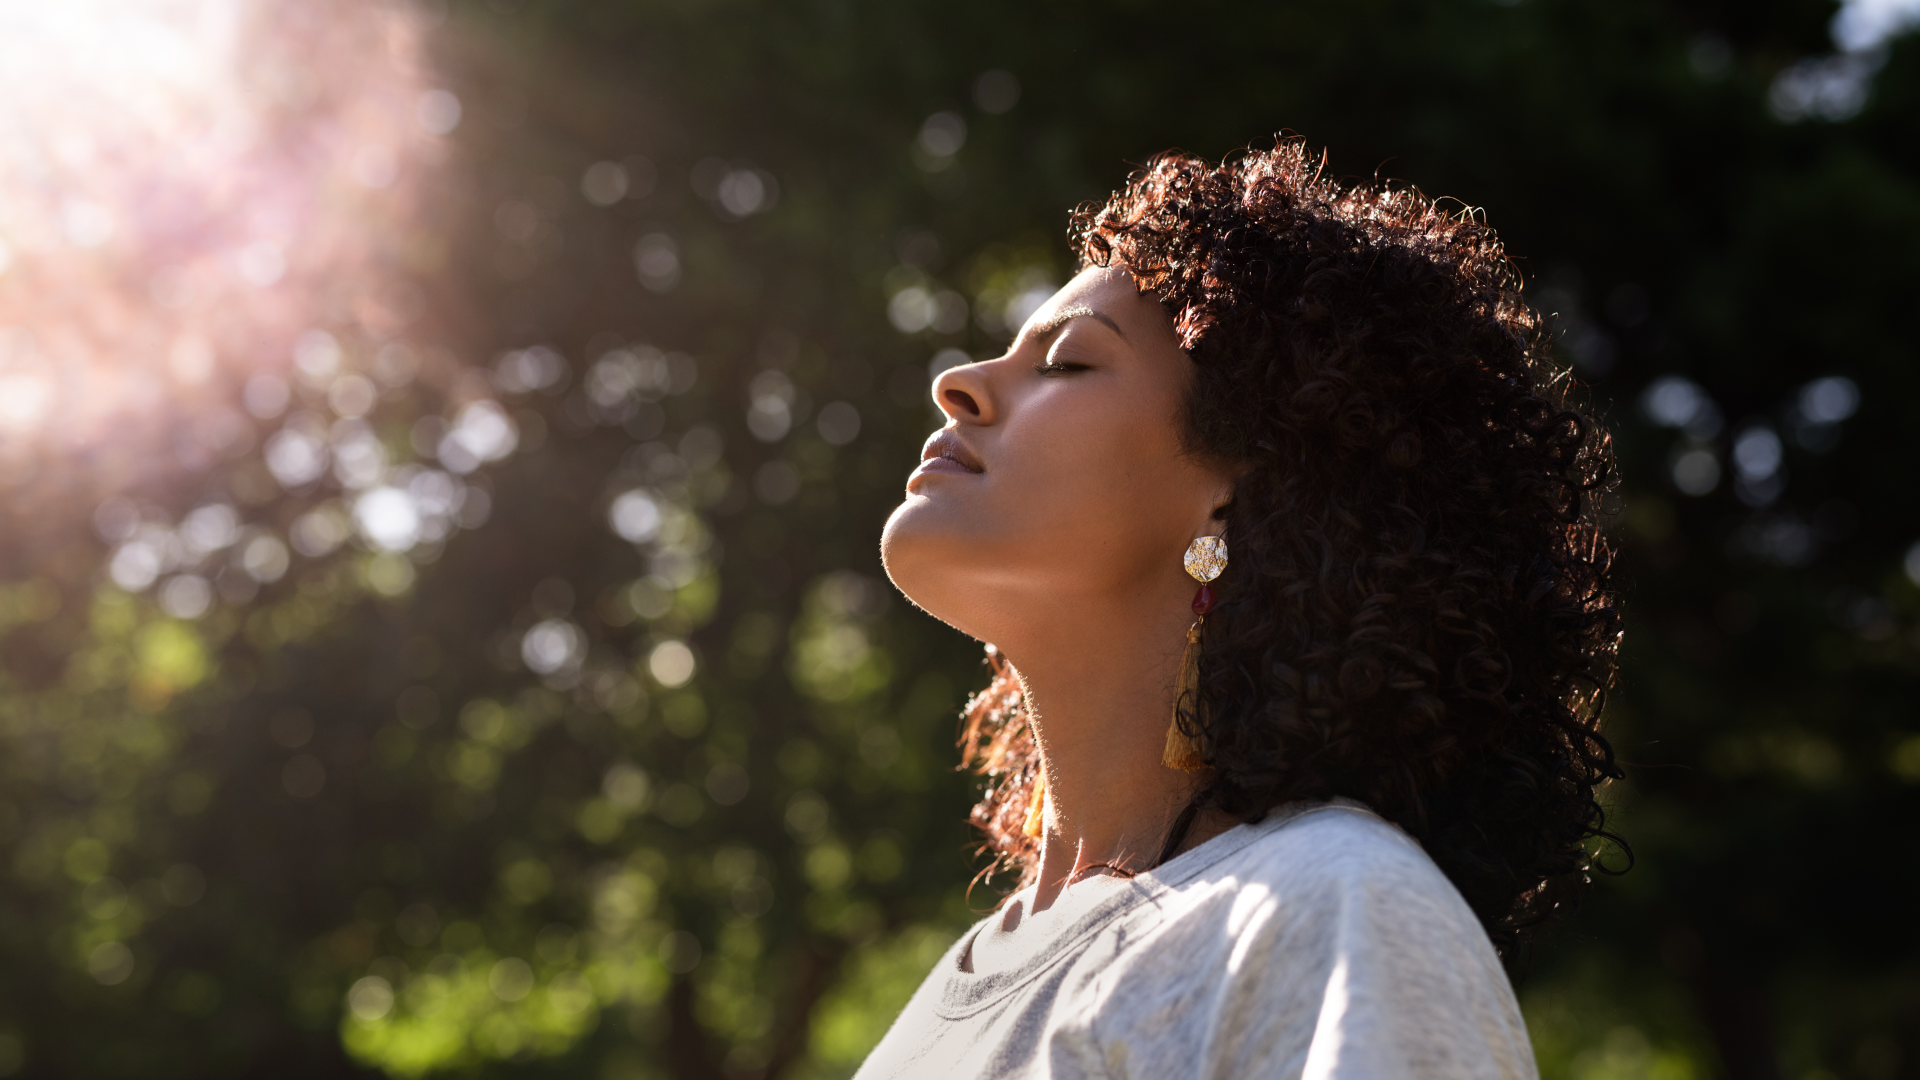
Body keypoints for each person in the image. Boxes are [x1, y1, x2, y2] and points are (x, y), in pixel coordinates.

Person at [862, 140, 1622, 1079]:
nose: (959, 383)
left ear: (1238, 490)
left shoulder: (1329, 904)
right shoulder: (956, 988)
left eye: (1066, 362)